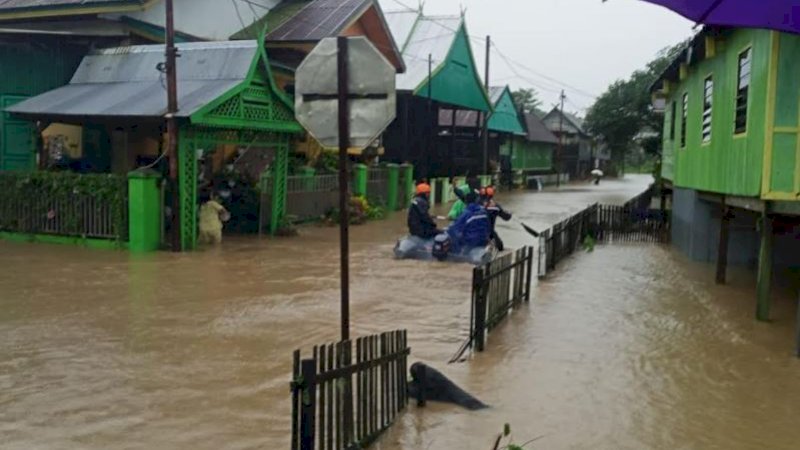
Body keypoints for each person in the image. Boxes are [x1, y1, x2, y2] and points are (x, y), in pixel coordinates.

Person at [481, 186, 512, 251]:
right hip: (489, 233)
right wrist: (510, 214)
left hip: (475, 232)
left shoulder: (476, 204)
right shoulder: (495, 207)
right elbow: (506, 217)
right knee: (500, 247)